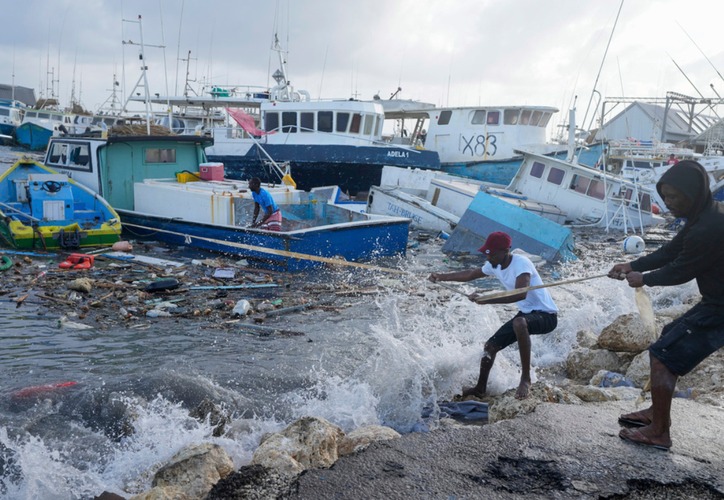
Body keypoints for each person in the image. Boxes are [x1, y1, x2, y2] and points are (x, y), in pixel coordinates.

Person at [609, 160, 724, 451]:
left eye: (674, 197)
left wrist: (642, 278)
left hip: (721, 308)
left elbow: (680, 270)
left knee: (662, 355)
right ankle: (655, 414)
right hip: (717, 301)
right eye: (665, 197)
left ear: (693, 193)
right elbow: (672, 251)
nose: (668, 203)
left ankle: (659, 432)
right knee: (670, 336)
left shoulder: (707, 227)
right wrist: (632, 264)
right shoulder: (706, 215)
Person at [429, 232, 558, 400]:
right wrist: (441, 277)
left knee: (519, 323)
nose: (488, 257)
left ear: (506, 251)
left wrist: (487, 299)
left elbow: (520, 294)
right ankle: (480, 388)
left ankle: (526, 379)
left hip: (546, 316)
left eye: (492, 254)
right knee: (490, 346)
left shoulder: (521, 263)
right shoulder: (494, 264)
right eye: (487, 253)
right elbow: (470, 275)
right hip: (527, 315)